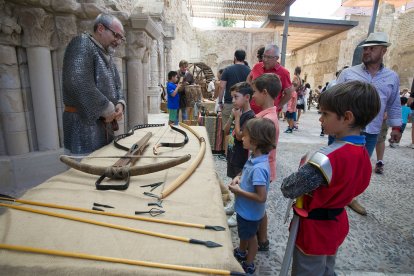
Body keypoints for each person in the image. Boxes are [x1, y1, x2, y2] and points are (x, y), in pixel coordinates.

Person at [281, 81, 381, 276]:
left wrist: (307, 165)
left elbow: (289, 188)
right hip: (336, 225)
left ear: (347, 117)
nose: (320, 119)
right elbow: (357, 187)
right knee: (327, 269)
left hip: (314, 231)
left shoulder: (327, 158)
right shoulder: (362, 154)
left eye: (325, 114)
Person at [335, 32, 402, 215]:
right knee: (336, 165)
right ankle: (331, 198)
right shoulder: (348, 73)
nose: (367, 51)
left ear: (383, 51)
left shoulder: (391, 77)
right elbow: (332, 98)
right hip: (344, 130)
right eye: (365, 48)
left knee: (359, 168)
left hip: (371, 131)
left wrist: (396, 127)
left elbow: (394, 103)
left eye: (372, 48)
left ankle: (349, 198)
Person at [62, 13, 126, 155]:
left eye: (121, 38)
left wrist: (120, 104)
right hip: (83, 126)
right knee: (84, 171)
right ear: (101, 28)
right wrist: (107, 108)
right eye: (116, 35)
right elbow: (78, 82)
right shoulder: (82, 44)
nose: (118, 41)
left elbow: (117, 85)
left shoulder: (107, 55)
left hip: (105, 127)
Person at [229, 117, 276, 275]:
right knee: (245, 233)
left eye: (246, 135)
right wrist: (238, 178)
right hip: (245, 210)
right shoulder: (254, 158)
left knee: (251, 238)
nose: (242, 137)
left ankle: (249, 263)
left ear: (255, 141)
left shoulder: (259, 168)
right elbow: (245, 171)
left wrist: (238, 191)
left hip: (250, 213)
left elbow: (261, 197)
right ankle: (242, 251)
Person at [250, 73, 282, 251]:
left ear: (264, 92)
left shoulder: (266, 120)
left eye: (254, 92)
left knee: (258, 205)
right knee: (258, 205)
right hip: (262, 166)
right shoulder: (267, 116)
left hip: (261, 167)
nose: (253, 96)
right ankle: (261, 238)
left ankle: (261, 240)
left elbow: (262, 148)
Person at [218, 50, 251, 155]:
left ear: (235, 57)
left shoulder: (228, 69)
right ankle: (236, 152)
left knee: (227, 130)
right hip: (244, 104)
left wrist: (220, 101)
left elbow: (222, 86)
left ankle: (227, 152)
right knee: (242, 129)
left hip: (229, 102)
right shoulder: (249, 71)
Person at [246, 44, 293, 115]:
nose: (265, 59)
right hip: (252, 111)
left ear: (277, 58)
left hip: (268, 114)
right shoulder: (257, 66)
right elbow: (249, 78)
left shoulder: (284, 73)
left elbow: (289, 94)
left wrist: (278, 107)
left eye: (268, 57)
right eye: (264, 56)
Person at [224, 82, 256, 179]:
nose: (233, 100)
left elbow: (239, 136)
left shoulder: (250, 116)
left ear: (247, 97)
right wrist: (231, 116)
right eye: (232, 97)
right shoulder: (237, 111)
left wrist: (237, 118)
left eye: (236, 97)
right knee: (233, 182)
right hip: (232, 156)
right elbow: (225, 131)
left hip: (240, 159)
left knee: (239, 184)